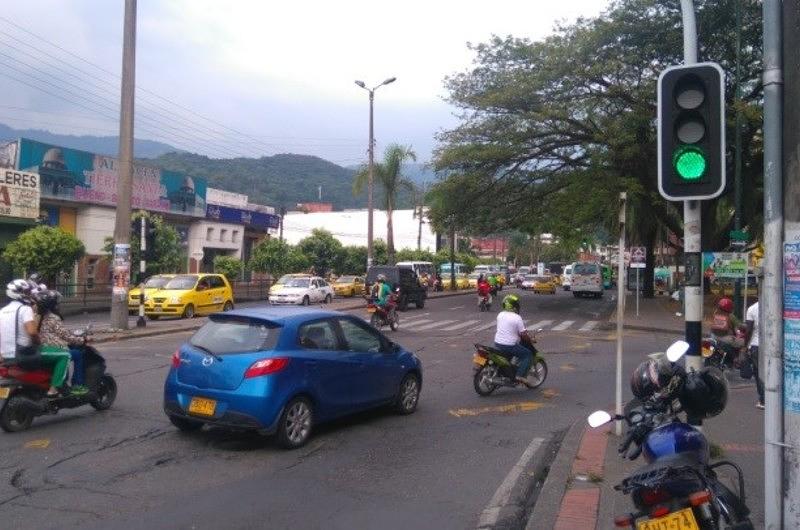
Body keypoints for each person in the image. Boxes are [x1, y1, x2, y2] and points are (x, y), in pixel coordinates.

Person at [0, 280, 64, 397]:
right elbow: (32, 332)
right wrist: (39, 344)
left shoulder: (1, 312)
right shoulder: (25, 309)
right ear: (17, 293)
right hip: (24, 354)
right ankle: (53, 389)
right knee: (64, 355)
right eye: (25, 291)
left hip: (6, 356)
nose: (28, 294)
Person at [35, 289, 88, 394]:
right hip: (54, 349)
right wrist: (82, 340)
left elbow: (59, 333)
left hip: (43, 348)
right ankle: (77, 384)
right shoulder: (53, 317)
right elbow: (65, 336)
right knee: (78, 354)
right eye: (57, 303)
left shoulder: (40, 317)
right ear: (53, 305)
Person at [493, 294, 533, 386]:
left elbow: (509, 328)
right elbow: (523, 334)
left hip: (498, 343)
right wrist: (529, 340)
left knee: (508, 356)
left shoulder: (500, 315)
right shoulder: (517, 318)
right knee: (527, 354)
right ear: (514, 306)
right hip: (509, 345)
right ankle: (519, 375)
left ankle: (506, 373)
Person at [710, 297, 744, 362]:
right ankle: (737, 360)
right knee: (744, 342)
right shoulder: (730, 316)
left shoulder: (715, 313)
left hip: (713, 337)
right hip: (726, 339)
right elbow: (740, 326)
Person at [745, 300, 764, 409]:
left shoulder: (752, 309)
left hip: (756, 345)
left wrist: (744, 346)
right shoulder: (776, 304)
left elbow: (748, 331)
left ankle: (763, 400)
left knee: (759, 374)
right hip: (772, 344)